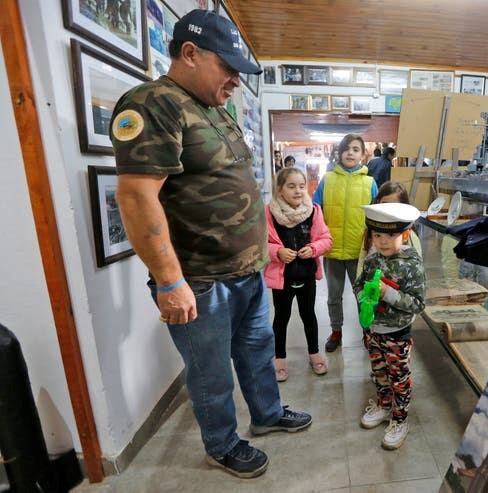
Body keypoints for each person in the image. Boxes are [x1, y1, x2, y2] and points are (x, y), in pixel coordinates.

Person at [110, 9, 311, 479]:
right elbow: (137, 198)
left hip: (247, 272)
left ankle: (266, 414)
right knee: (211, 373)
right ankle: (222, 444)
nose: (236, 81)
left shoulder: (215, 109)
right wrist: (169, 280)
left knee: (258, 351)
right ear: (189, 53)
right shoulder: (152, 103)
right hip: (200, 281)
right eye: (228, 68)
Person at [353, 203, 425, 450]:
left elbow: (418, 303)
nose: (383, 241)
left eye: (391, 235)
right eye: (377, 235)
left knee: (399, 378)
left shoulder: (411, 264)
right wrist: (363, 296)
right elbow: (358, 284)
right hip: (373, 330)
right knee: (380, 373)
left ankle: (400, 420)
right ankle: (383, 407)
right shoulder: (372, 259)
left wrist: (387, 293)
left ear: (405, 234)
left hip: (397, 334)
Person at [264, 168, 332, 381]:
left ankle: (315, 354)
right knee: (281, 318)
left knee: (309, 316)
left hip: (306, 275)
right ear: (279, 190)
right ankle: (279, 360)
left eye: (302, 186)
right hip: (282, 279)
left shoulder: (314, 210)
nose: (298, 191)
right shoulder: (268, 213)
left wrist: (313, 249)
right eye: (291, 186)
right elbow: (258, 243)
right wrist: (277, 252)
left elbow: (326, 239)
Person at [312, 134, 377, 352]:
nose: (350, 153)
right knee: (333, 296)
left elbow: (376, 217)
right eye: (346, 148)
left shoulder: (370, 183)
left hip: (360, 252)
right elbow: (316, 211)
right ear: (339, 153)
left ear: (362, 154)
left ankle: (367, 332)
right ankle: (336, 331)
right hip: (332, 251)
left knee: (363, 296)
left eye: (356, 149)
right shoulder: (327, 180)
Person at [357, 181, 422, 276]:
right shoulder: (371, 232)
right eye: (384, 204)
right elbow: (362, 261)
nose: (383, 241)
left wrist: (388, 290)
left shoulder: (410, 236)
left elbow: (418, 270)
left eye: (391, 235)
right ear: (378, 202)